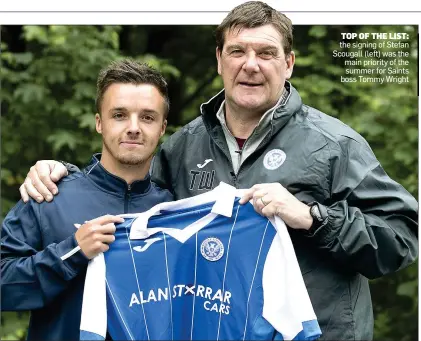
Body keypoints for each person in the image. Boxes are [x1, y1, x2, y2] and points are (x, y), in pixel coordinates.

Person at [18, 2, 418, 340]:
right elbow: (129, 191)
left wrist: (311, 218)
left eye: (266, 53)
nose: (251, 65)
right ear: (219, 60)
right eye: (237, 51)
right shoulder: (182, 147)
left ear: (289, 63)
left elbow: (403, 237)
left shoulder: (334, 144)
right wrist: (64, 176)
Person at [1, 59, 173, 341]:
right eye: (119, 115)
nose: (133, 127)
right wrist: (72, 252)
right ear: (99, 123)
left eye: (147, 117)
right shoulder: (48, 196)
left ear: (163, 127)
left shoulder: (174, 211)